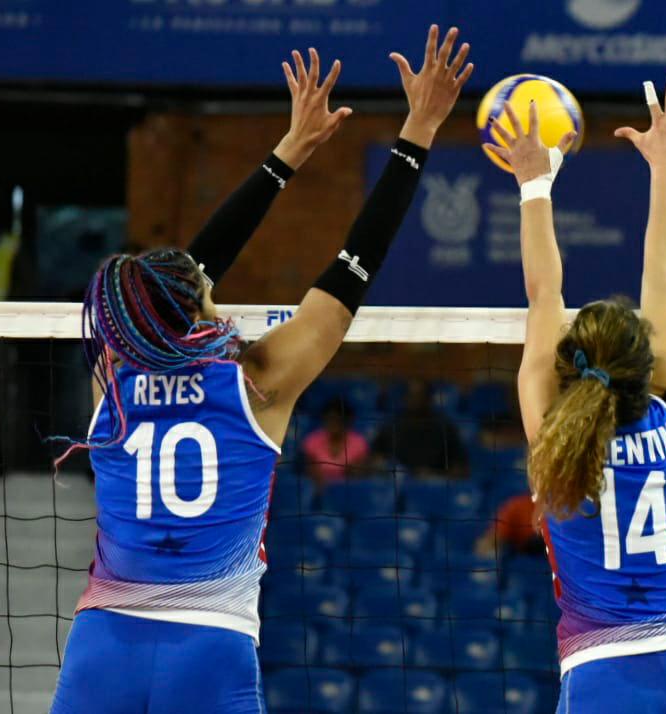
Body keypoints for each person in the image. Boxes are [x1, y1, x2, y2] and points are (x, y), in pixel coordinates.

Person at [50, 28, 472, 713]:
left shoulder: (114, 372)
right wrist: (417, 130)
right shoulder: (255, 381)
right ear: (197, 302)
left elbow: (182, 281)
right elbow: (350, 268)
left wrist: (289, 153)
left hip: (103, 646)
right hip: (209, 648)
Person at [487, 78, 666, 713]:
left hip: (601, 679)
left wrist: (534, 184)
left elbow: (545, 294)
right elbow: (664, 274)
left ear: (570, 364)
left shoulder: (552, 433)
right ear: (646, 364)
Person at [371, 378, 468, 476]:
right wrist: (382, 466)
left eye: (419, 396)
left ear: (428, 399)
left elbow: (460, 469)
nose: (414, 401)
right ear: (405, 398)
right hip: (397, 484)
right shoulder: (391, 426)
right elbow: (375, 458)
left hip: (435, 486)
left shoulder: (445, 427)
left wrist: (434, 475)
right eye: (411, 396)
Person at [300, 396, 371, 485]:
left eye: (336, 419)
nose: (332, 423)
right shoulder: (312, 440)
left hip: (349, 490)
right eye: (329, 419)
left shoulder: (359, 443)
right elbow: (310, 472)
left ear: (346, 421)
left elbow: (358, 474)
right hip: (317, 490)